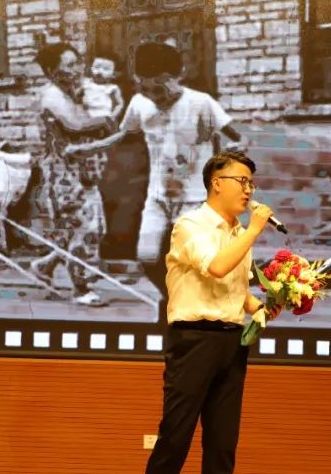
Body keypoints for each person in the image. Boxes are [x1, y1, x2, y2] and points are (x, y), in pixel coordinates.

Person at [114, 150, 280, 474]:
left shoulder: (237, 232)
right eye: (242, 181)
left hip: (232, 342)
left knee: (222, 446)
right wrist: (255, 230)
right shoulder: (191, 225)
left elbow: (236, 292)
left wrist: (267, 305)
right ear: (216, 183)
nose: (249, 190)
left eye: (252, 183)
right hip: (193, 341)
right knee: (174, 440)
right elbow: (217, 267)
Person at [68, 42, 243, 322]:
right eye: (145, 88)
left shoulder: (201, 103)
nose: (153, 97)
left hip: (195, 198)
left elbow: (237, 136)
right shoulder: (140, 104)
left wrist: (233, 160)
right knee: (148, 257)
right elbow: (124, 134)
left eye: (160, 90)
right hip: (158, 195)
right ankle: (173, 297)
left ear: (179, 75)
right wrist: (89, 148)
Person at [28, 42, 115, 306]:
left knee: (86, 226)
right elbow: (76, 125)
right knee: (83, 227)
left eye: (78, 63)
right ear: (51, 71)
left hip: (83, 168)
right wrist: (106, 121)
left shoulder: (76, 92)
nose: (77, 69)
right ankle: (81, 288)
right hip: (63, 172)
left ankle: (44, 265)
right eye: (69, 65)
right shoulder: (52, 96)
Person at [81, 54, 124, 124]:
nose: (100, 72)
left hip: (104, 117)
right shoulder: (86, 82)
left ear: (114, 74)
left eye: (106, 69)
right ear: (91, 68)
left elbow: (120, 104)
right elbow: (76, 96)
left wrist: (113, 116)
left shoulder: (112, 88)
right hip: (87, 117)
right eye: (97, 67)